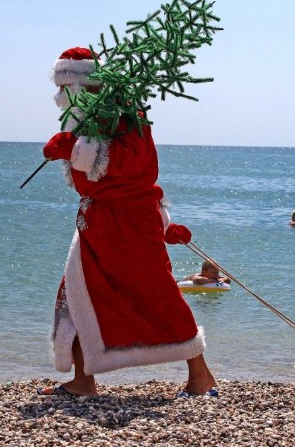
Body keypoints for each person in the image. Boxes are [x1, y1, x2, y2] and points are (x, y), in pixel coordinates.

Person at [36, 47, 216, 398]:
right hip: (98, 222)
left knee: (156, 293)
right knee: (76, 295)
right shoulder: (86, 115)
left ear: (84, 83)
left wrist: (72, 150)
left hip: (128, 226)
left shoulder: (125, 114)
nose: (61, 95)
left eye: (67, 86)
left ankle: (201, 377)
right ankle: (83, 380)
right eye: (59, 86)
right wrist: (71, 146)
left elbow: (134, 166)